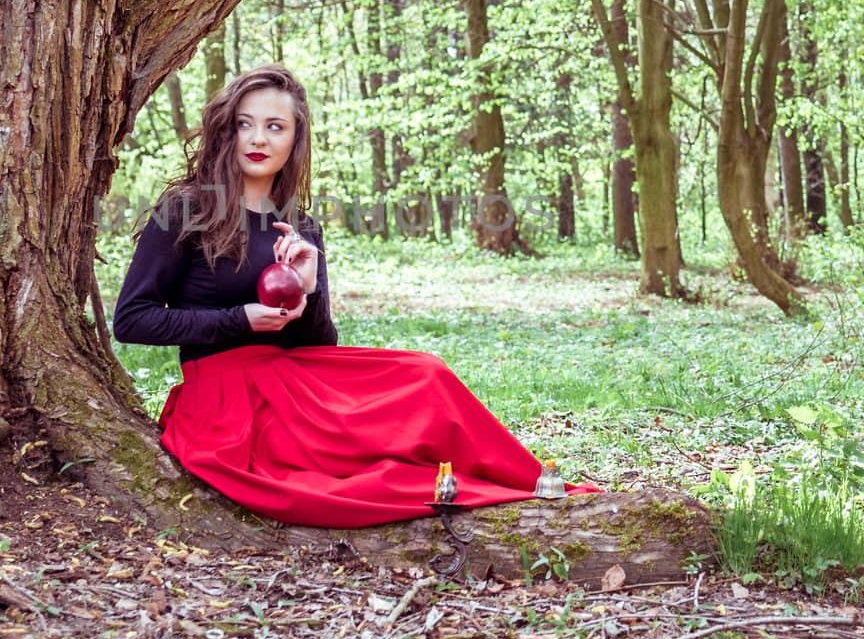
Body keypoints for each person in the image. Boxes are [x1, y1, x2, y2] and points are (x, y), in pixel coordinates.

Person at [112, 64, 596, 527]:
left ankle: (533, 482)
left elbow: (319, 343)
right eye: (246, 124)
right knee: (368, 474)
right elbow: (132, 319)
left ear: (294, 140)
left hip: (296, 381)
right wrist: (240, 319)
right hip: (226, 399)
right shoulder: (185, 210)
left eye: (275, 127)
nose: (259, 139)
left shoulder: (300, 226)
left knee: (428, 374)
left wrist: (309, 288)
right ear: (227, 131)